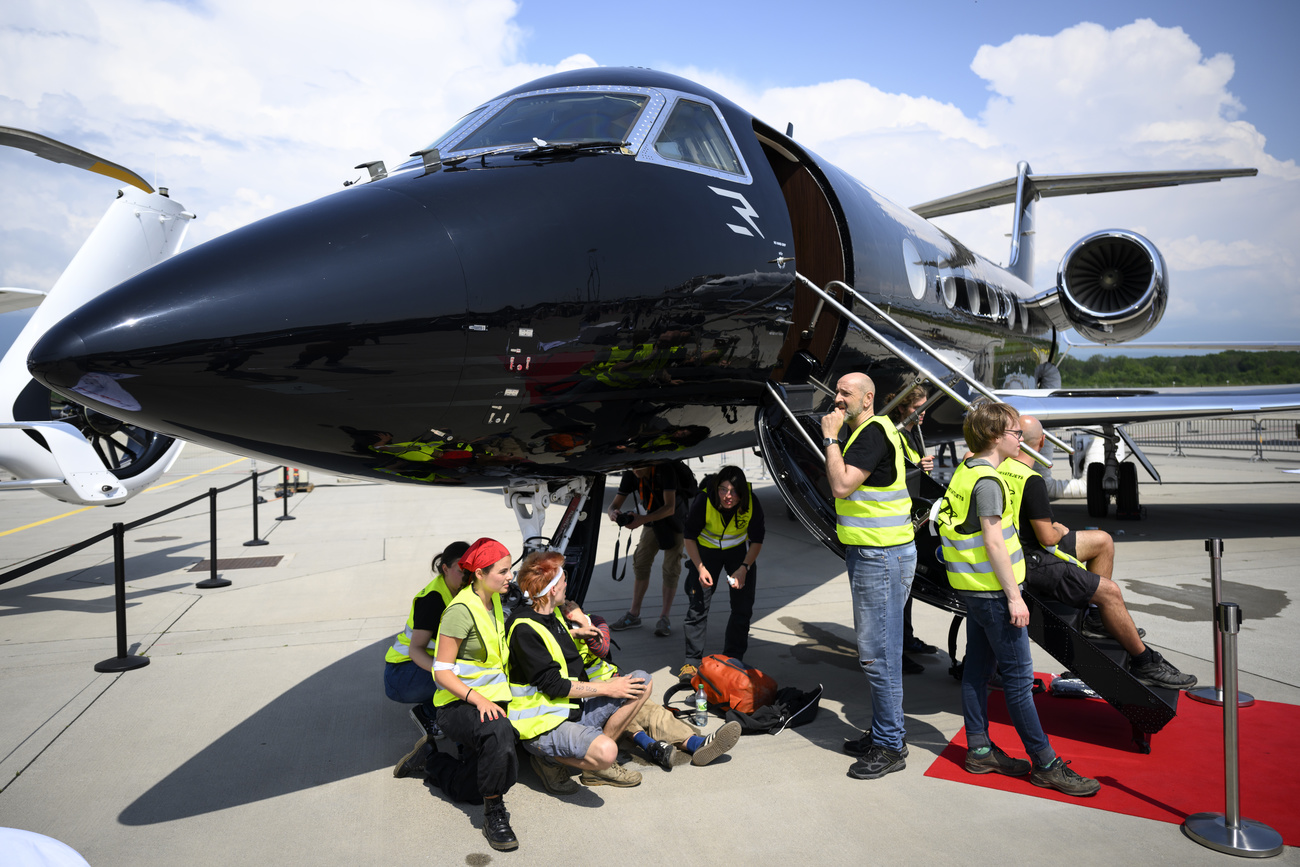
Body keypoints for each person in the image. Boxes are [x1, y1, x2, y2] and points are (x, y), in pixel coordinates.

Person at [933, 402, 1100, 797]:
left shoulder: (966, 470)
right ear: (995, 436)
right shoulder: (989, 481)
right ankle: (1045, 763)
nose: (1020, 439)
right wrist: (1014, 597)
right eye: (1014, 433)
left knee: (977, 670)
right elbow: (993, 541)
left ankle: (979, 749)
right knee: (1019, 682)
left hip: (972, 589)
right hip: (993, 592)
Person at [999, 416, 1196, 689]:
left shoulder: (1003, 468)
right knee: (1110, 591)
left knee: (1102, 541)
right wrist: (1058, 530)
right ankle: (1144, 662)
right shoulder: (1031, 479)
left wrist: (1051, 528)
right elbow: (1047, 536)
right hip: (1032, 558)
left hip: (1021, 545)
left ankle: (1094, 618)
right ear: (1042, 443)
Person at [821, 372, 916, 781]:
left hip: (881, 556)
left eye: (846, 393)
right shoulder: (868, 432)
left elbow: (842, 485)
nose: (838, 400)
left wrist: (829, 439)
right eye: (837, 392)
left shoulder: (872, 433)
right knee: (881, 651)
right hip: (874, 552)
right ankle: (884, 732)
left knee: (878, 655)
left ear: (868, 398)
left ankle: (891, 745)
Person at [506, 550, 651, 792]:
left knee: (642, 681)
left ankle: (592, 760)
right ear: (552, 589)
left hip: (572, 708)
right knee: (607, 752)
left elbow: (551, 644)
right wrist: (609, 688)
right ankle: (549, 758)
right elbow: (554, 685)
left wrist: (577, 632)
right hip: (543, 725)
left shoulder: (551, 614)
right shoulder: (524, 629)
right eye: (564, 580)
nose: (566, 584)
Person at [562, 600, 743, 769]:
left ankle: (695, 744)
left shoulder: (595, 620)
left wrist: (584, 623)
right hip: (591, 692)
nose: (568, 609)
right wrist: (573, 632)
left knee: (651, 710)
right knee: (623, 714)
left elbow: (601, 649)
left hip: (615, 681)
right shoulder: (557, 632)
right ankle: (649, 745)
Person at [431, 538, 520, 851]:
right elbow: (441, 671)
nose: (511, 576)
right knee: (500, 732)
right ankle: (494, 811)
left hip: (490, 698)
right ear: (480, 574)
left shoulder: (492, 598)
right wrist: (480, 700)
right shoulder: (460, 611)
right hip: (456, 704)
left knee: (467, 788)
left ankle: (433, 762)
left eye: (511, 569)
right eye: (504, 571)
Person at [387, 540, 469, 778]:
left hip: (419, 667)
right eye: (460, 570)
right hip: (402, 674)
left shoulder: (461, 590)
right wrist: (445, 675)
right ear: (445, 568)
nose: (467, 576)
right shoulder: (433, 600)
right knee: (457, 687)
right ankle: (437, 719)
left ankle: (430, 711)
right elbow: (415, 650)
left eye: (471, 570)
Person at [678, 465, 765, 683]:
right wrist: (699, 567)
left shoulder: (751, 502)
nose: (728, 496)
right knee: (698, 606)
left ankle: (733, 659)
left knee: (742, 608)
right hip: (706, 553)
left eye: (734, 491)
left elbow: (757, 540)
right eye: (723, 489)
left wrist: (744, 568)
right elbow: (689, 537)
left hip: (738, 555)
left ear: (742, 493)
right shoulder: (704, 500)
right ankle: (691, 661)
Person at [886, 386, 941, 672]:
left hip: (912, 518)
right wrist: (917, 467)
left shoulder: (910, 434)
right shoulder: (895, 434)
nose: (923, 413)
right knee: (898, 591)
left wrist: (922, 468)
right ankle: (896, 651)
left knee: (908, 588)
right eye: (918, 407)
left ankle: (906, 639)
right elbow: (893, 474)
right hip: (899, 522)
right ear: (904, 407)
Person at [607, 462, 685, 636]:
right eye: (633, 467)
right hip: (651, 520)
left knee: (670, 568)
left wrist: (642, 519)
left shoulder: (665, 470)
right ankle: (634, 614)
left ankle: (664, 618)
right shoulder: (631, 474)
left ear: (650, 464)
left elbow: (669, 507)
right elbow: (613, 505)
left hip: (674, 521)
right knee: (641, 563)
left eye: (639, 467)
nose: (635, 470)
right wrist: (613, 513)